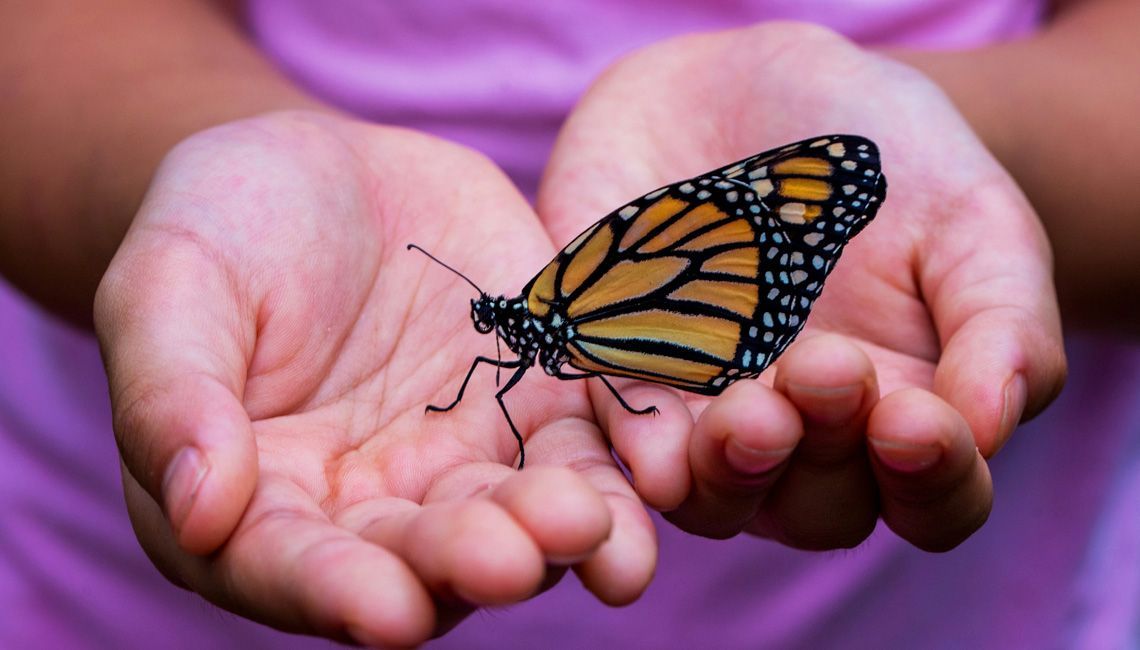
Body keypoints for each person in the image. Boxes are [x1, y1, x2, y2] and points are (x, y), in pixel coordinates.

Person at [0, 0, 1135, 647]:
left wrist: (990, 157)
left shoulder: (567, 301)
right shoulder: (542, 318)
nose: (501, 328)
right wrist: (199, 173)